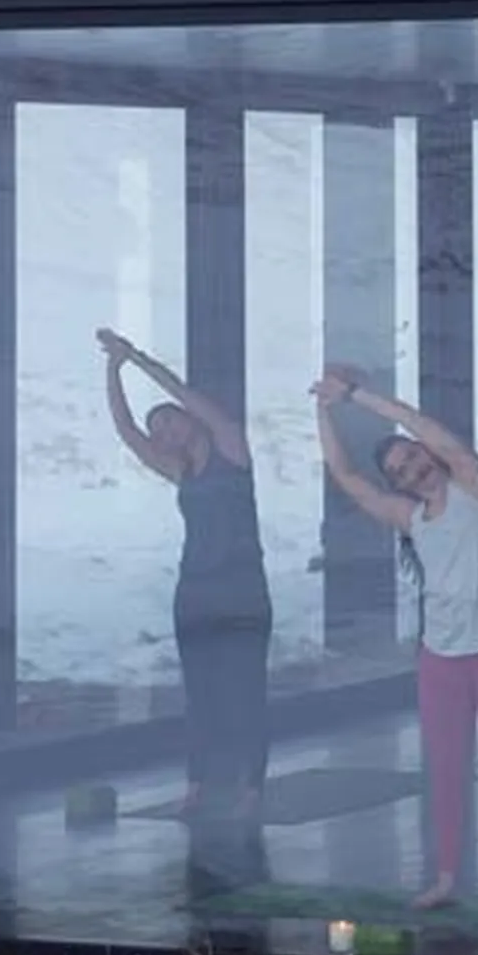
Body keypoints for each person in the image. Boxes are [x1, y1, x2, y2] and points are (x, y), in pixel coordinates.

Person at [313, 361, 478, 918]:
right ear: (398, 486)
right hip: (442, 662)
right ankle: (445, 878)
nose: (412, 468)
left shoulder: (474, 487)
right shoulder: (411, 519)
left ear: (428, 455)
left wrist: (357, 395)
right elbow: (344, 474)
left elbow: (424, 426)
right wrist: (323, 406)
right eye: (399, 471)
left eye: (412, 456)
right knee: (445, 771)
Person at [97, 329, 270, 840]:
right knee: (201, 695)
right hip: (195, 593)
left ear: (188, 417)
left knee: (245, 692)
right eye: (161, 431)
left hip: (244, 593)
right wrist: (112, 370)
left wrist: (136, 358)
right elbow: (127, 430)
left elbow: (183, 391)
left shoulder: (231, 449)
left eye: (169, 420)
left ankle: (251, 789)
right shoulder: (180, 471)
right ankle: (196, 787)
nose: (166, 431)